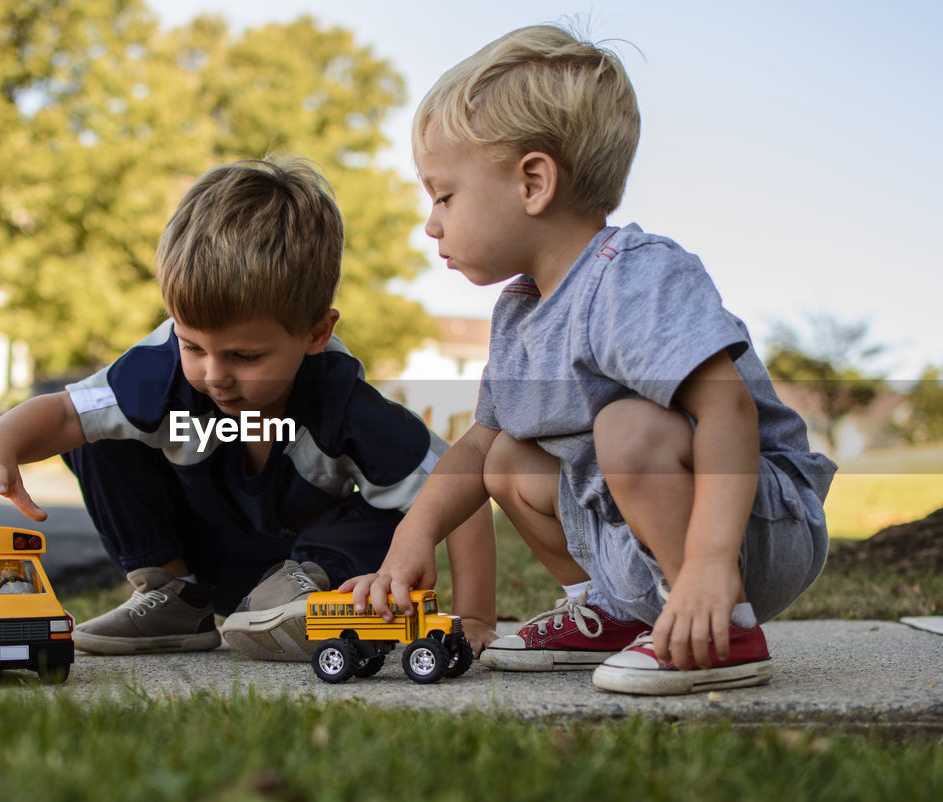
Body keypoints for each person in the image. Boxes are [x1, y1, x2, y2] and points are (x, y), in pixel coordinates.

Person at [342, 25, 836, 695]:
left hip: (752, 524)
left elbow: (728, 408)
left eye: (444, 195)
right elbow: (477, 446)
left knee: (625, 428)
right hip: (642, 535)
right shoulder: (520, 311)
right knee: (505, 456)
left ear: (533, 182)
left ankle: (729, 628)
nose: (431, 222)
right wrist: (415, 533)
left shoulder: (631, 277)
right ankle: (608, 609)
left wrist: (712, 563)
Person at [0, 157, 497, 661]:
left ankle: (301, 593)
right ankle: (173, 596)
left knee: (402, 512)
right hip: (202, 549)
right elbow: (65, 412)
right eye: (193, 345)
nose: (214, 375)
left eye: (245, 356)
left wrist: (474, 620)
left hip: (305, 563)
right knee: (98, 432)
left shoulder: (343, 403)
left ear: (317, 332)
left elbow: (462, 494)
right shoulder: (157, 371)